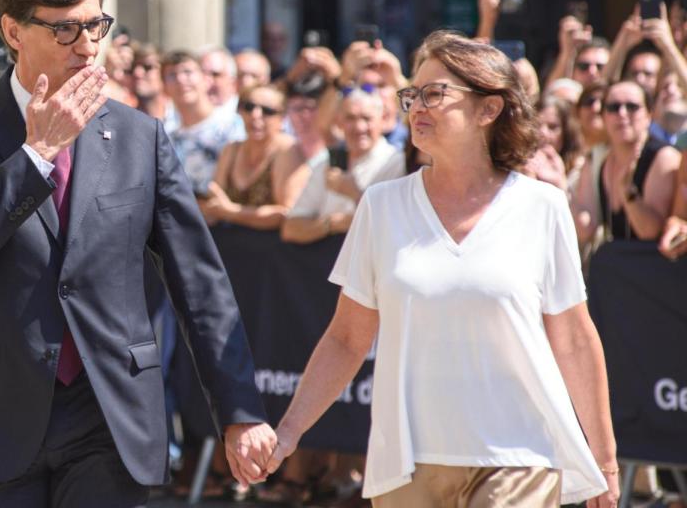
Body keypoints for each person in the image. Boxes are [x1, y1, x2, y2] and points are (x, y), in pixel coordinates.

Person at [0, 0, 276, 507]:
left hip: (109, 412)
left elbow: (200, 286)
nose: (87, 46)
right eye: (65, 30)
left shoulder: (140, 137)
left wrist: (240, 412)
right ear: (13, 30)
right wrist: (38, 152)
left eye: (96, 26)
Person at [266, 31, 619, 508]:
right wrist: (288, 433)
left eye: (435, 94)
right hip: (407, 461)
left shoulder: (543, 207)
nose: (417, 107)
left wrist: (605, 460)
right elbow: (347, 338)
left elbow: (575, 338)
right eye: (412, 94)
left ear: (488, 109)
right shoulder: (381, 206)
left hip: (521, 454)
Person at [282, 87, 405, 244]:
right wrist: (330, 224)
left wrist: (354, 193)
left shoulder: (395, 162)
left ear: (382, 120)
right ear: (339, 122)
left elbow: (392, 224)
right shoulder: (328, 161)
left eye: (366, 119)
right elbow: (291, 227)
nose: (359, 127)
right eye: (350, 118)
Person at [571, 80, 680, 244]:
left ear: (649, 114)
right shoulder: (600, 159)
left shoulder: (663, 157)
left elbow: (650, 234)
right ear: (604, 117)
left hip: (653, 264)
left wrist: (628, 192)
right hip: (617, 266)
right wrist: (558, 185)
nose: (622, 113)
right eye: (613, 107)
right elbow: (585, 231)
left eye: (632, 107)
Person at [201, 84, 299, 230]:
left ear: (283, 118)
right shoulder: (231, 150)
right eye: (249, 107)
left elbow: (285, 213)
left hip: (271, 248)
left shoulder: (287, 150)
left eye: (268, 111)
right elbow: (215, 206)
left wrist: (231, 212)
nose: (255, 115)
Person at [161, 50, 243, 197]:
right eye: (172, 75)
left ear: (206, 79)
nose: (181, 79)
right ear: (164, 87)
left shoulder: (232, 125)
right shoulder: (166, 135)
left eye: (188, 72)